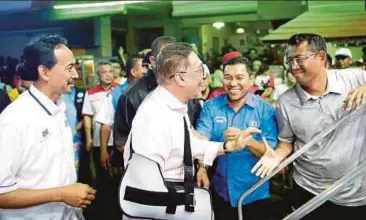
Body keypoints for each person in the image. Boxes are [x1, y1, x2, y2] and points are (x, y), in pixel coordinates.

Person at [123, 42, 261, 219]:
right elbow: (147, 190)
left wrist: (228, 146)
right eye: (199, 70)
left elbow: (187, 144)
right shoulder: (155, 116)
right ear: (180, 78)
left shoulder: (174, 107)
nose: (204, 77)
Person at [252, 33, 366, 220]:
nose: (293, 66)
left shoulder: (354, 78)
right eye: (289, 60)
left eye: (299, 59)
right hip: (310, 190)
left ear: (321, 57)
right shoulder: (286, 102)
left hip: (357, 192)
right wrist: (278, 155)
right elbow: (286, 141)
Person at [0, 35, 96, 219]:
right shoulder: (15, 120)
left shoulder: (60, 109)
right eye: (69, 68)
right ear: (44, 72)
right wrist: (61, 194)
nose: (75, 75)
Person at [196, 56, 278, 220]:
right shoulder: (211, 107)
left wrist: (246, 140)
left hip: (254, 194)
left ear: (251, 80)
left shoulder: (265, 110)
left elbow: (269, 154)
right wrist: (202, 168)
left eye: (239, 78)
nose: (233, 83)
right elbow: (201, 143)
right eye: (228, 77)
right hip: (220, 191)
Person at [113, 36, 202, 171]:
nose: (172, 64)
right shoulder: (133, 96)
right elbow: (122, 141)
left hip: (187, 171)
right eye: (166, 59)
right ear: (153, 61)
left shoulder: (188, 88)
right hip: (151, 174)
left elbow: (195, 129)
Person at [81, 61, 120, 220]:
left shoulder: (121, 90)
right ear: (98, 74)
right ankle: (106, 209)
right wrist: (89, 138)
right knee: (103, 177)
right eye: (104, 72)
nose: (108, 75)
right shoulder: (90, 93)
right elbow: (87, 116)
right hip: (99, 142)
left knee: (118, 176)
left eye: (110, 71)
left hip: (118, 142)